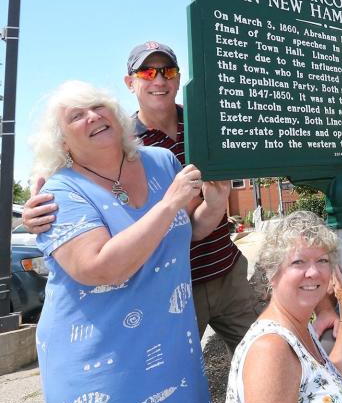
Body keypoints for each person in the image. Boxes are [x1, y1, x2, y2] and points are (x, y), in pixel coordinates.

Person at [23, 41, 259, 352]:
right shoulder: (121, 142)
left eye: (168, 71)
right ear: (130, 82)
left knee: (264, 357)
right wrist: (39, 205)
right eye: (147, 72)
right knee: (176, 370)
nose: (159, 80)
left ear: (177, 77)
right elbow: (77, 177)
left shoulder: (205, 126)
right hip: (171, 285)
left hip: (226, 272)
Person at [31, 81, 222, 403]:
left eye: (98, 106)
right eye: (76, 115)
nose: (93, 116)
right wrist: (168, 204)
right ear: (62, 141)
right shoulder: (60, 193)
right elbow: (100, 268)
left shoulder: (161, 162)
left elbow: (184, 234)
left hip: (171, 347)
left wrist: (215, 203)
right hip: (102, 363)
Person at [225, 211, 342, 403]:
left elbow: (329, 382)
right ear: (272, 272)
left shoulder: (299, 326)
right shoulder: (271, 351)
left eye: (322, 261)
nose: (313, 272)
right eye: (298, 262)